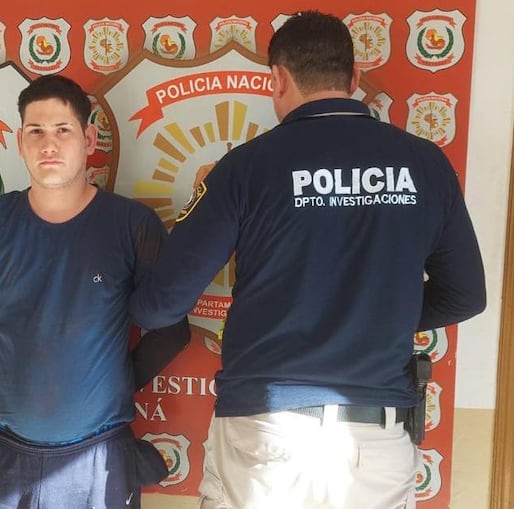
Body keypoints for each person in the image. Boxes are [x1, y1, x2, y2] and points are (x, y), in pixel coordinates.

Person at [129, 10, 486, 509]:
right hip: (377, 441)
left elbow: (160, 306)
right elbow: (466, 295)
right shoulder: (425, 164)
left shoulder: (245, 167)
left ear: (278, 79)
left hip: (269, 435)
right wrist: (376, 315)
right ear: (354, 78)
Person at [0, 74, 190, 509]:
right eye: (36, 131)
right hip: (1, 457)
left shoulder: (132, 226)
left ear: (89, 139)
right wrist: (21, 370)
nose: (49, 145)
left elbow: (172, 331)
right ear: (20, 141)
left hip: (98, 461)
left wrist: (109, 383)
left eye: (63, 130)